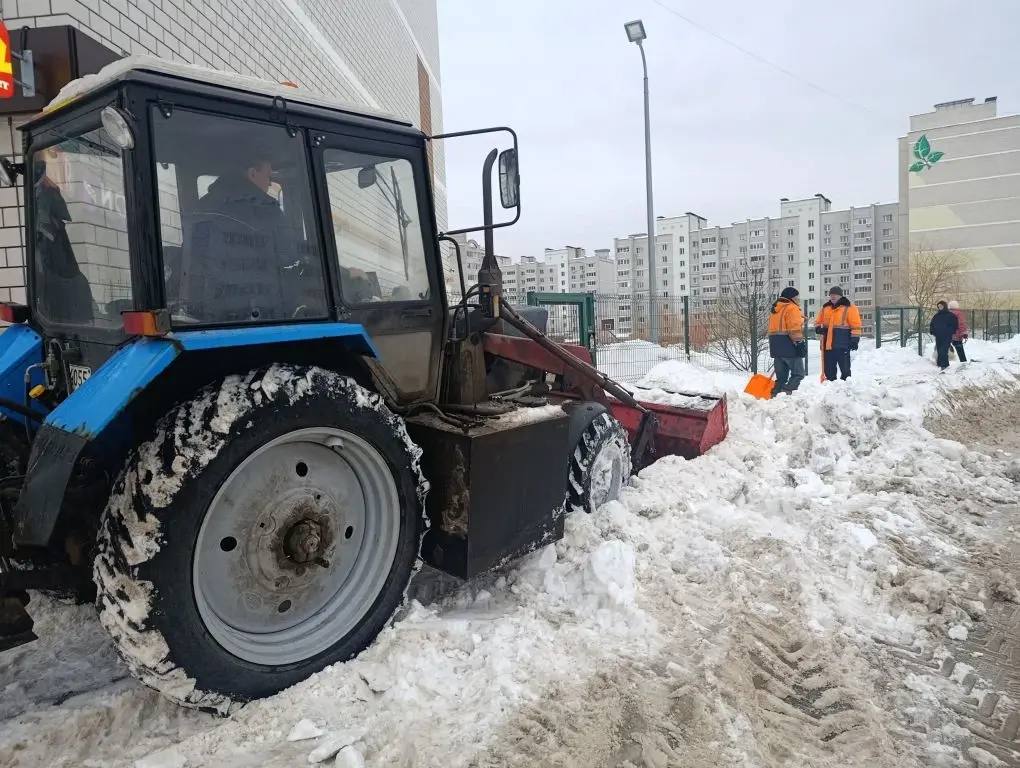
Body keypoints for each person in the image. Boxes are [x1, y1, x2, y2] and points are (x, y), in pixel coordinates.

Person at [815, 286, 862, 381]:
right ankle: (831, 388)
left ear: (840, 296)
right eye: (831, 295)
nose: (833, 296)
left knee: (845, 370)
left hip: (843, 344)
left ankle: (845, 388)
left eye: (835, 295)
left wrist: (855, 340)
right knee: (829, 371)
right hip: (828, 345)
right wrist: (818, 328)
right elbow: (817, 322)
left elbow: (856, 325)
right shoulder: (825, 308)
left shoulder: (850, 308)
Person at [768, 286, 807, 396]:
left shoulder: (775, 309)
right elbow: (793, 327)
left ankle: (775, 395)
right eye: (796, 297)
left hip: (776, 347)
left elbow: (781, 326)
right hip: (789, 346)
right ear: (792, 297)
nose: (798, 299)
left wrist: (801, 318)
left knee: (781, 377)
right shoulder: (792, 308)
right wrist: (799, 343)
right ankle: (786, 394)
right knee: (798, 374)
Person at [929, 300, 959, 372]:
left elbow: (955, 325)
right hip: (938, 336)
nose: (940, 308)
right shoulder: (936, 316)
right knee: (939, 350)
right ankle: (940, 364)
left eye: (941, 306)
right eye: (938, 306)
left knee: (944, 350)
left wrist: (950, 331)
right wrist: (932, 331)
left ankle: (944, 365)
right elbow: (932, 324)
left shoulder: (951, 315)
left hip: (947, 336)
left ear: (944, 306)